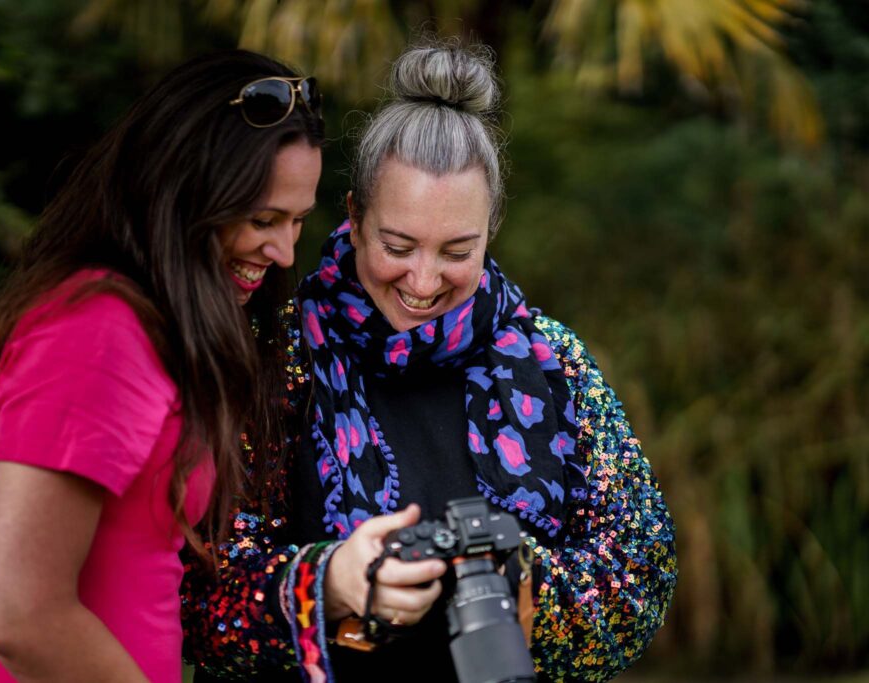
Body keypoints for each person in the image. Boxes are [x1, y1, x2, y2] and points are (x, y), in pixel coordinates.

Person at [181, 39, 676, 683]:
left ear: (492, 226)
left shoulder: (556, 363)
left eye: (456, 251)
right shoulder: (268, 360)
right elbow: (192, 593)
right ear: (355, 217)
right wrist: (328, 584)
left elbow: (644, 574)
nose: (423, 280)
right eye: (398, 244)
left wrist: (517, 585)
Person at [0, 49, 323, 683]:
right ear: (188, 195)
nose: (282, 250)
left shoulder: (154, 333)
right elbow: (21, 614)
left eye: (298, 221)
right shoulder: (96, 330)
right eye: (263, 219)